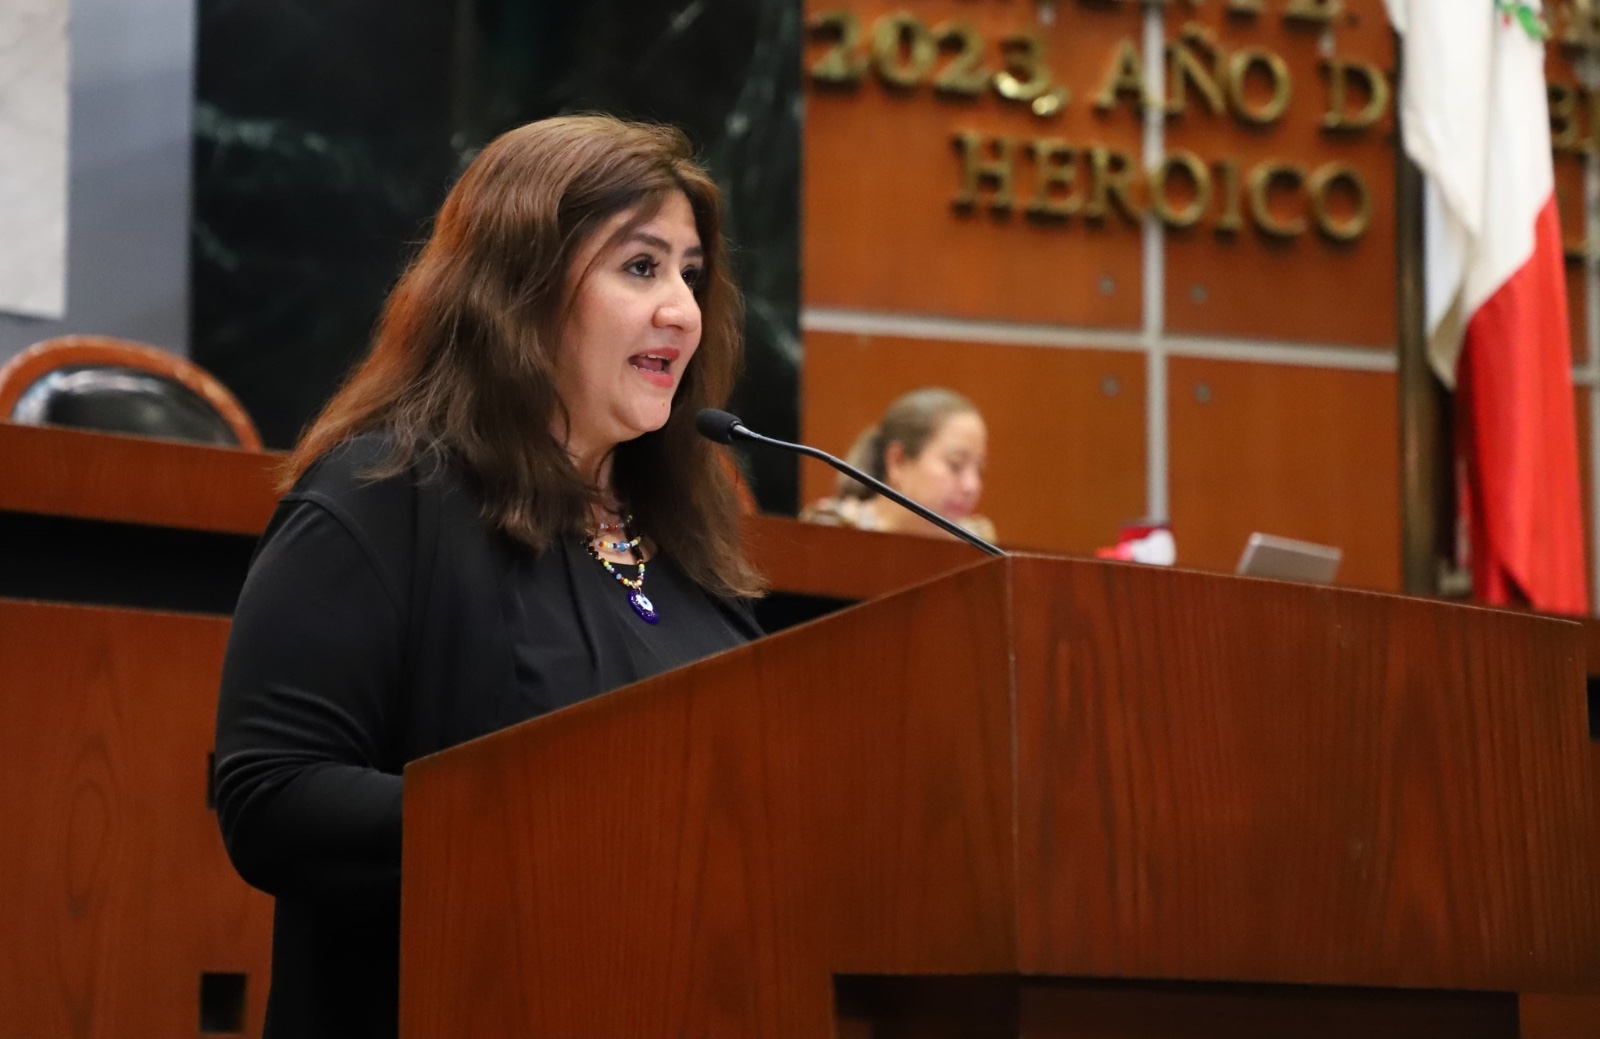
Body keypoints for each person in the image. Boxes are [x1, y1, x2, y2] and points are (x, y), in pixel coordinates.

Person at [212, 114, 765, 1039]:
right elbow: (272, 793)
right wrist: (562, 826)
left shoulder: (687, 537)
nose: (681, 309)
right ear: (522, 288)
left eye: (691, 274)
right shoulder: (384, 496)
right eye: (641, 267)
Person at [801, 387, 996, 541]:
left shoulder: (979, 543)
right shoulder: (834, 529)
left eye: (979, 470)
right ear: (898, 462)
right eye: (955, 465)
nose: (972, 486)